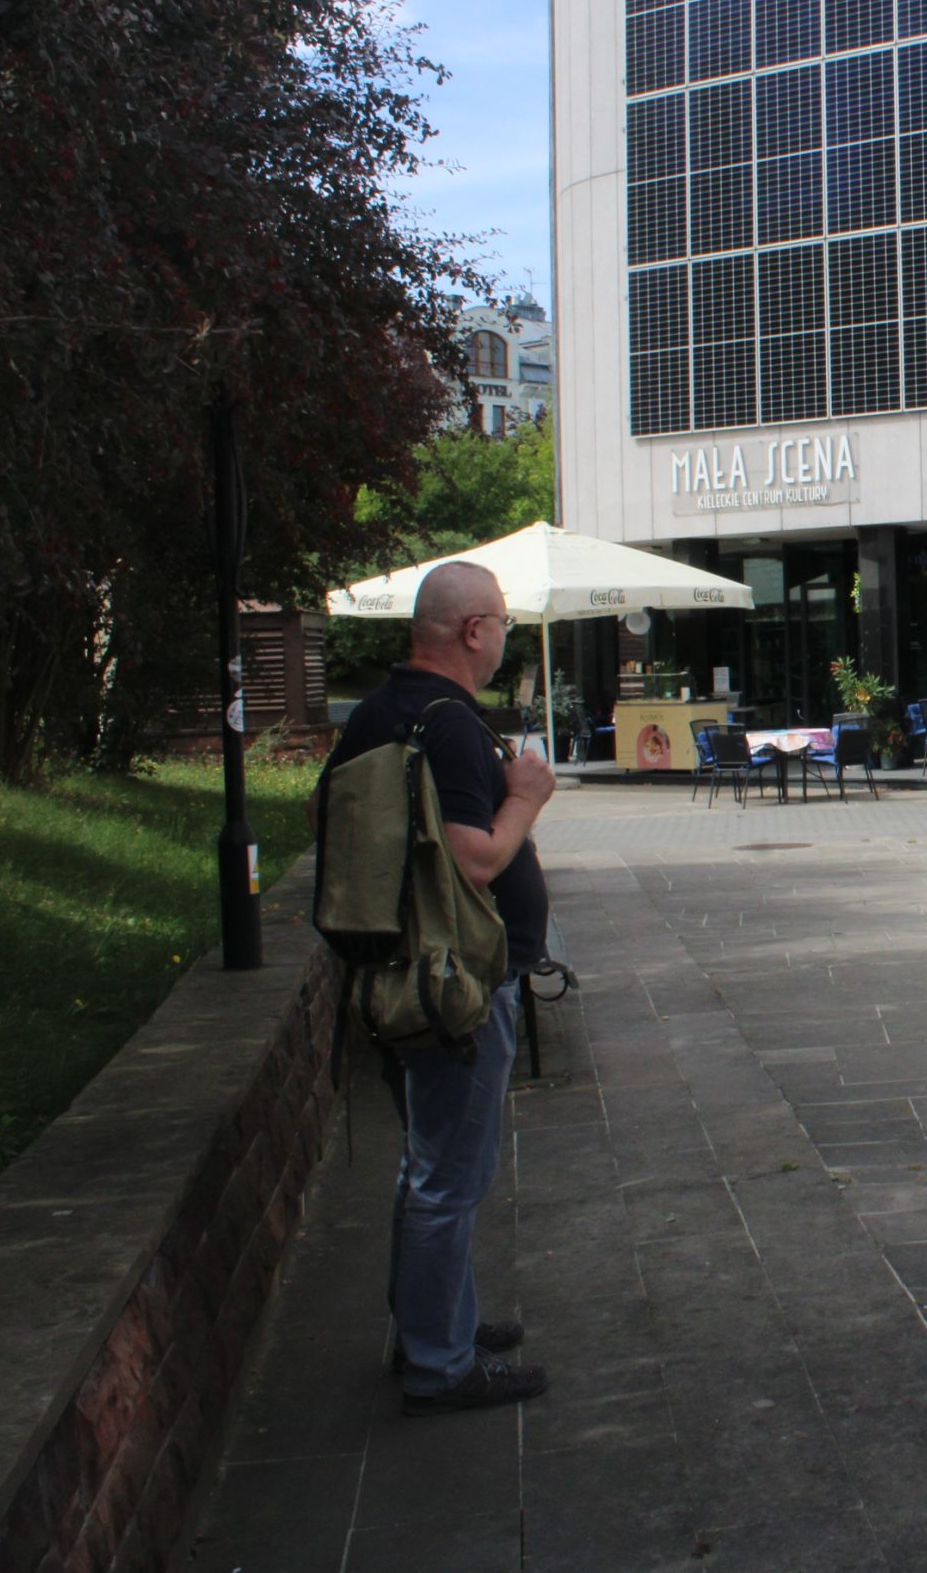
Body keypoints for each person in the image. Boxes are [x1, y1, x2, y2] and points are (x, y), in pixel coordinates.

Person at [321, 560, 553, 1414]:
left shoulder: (376, 711)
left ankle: (433, 1322)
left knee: (427, 1165)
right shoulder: (450, 723)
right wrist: (526, 797)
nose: (504, 639)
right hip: (459, 983)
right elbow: (474, 857)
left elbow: (325, 817)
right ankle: (439, 1363)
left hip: (406, 972)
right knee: (449, 1177)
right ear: (472, 630)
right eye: (502, 623)